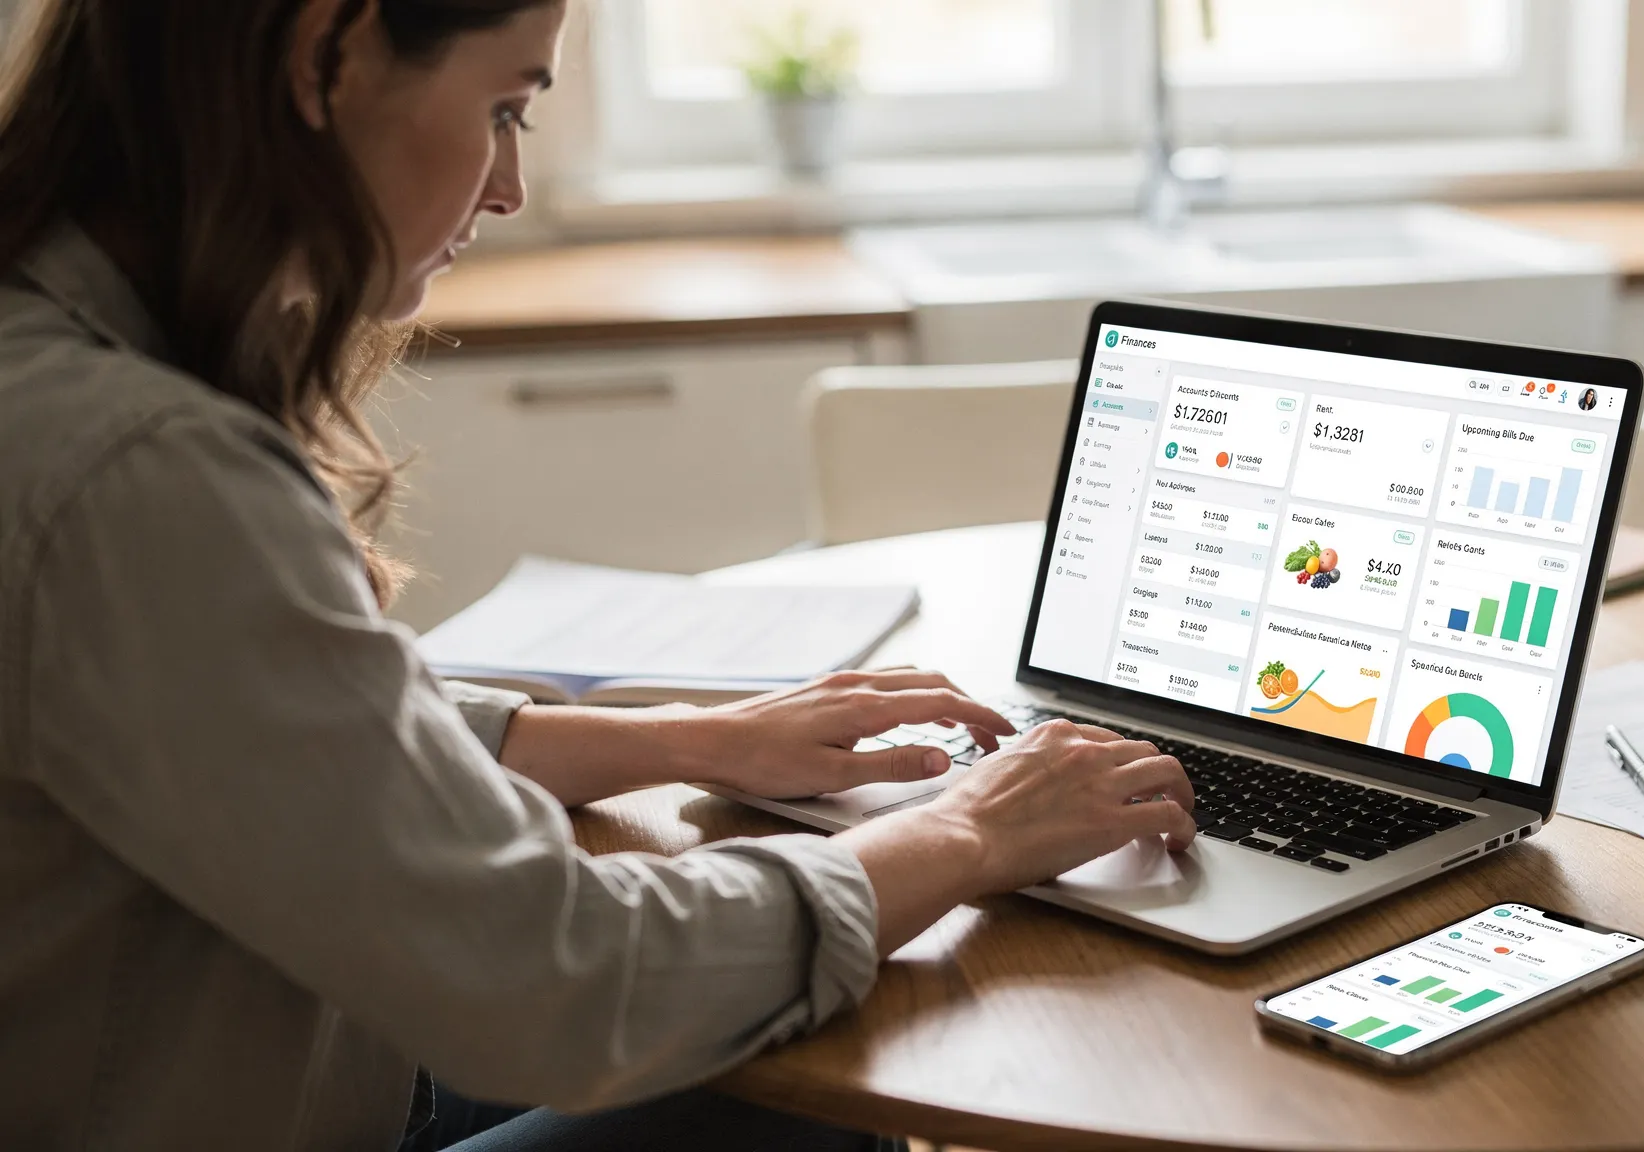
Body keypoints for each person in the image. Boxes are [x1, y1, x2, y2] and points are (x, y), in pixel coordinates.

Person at [0, 2, 1195, 1150]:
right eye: (506, 105)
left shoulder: (62, 361)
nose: (510, 186)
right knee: (815, 1097)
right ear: (327, 56)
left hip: (297, 1067)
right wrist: (971, 830)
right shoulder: (143, 473)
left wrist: (681, 738)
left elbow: (266, 738)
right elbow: (557, 978)